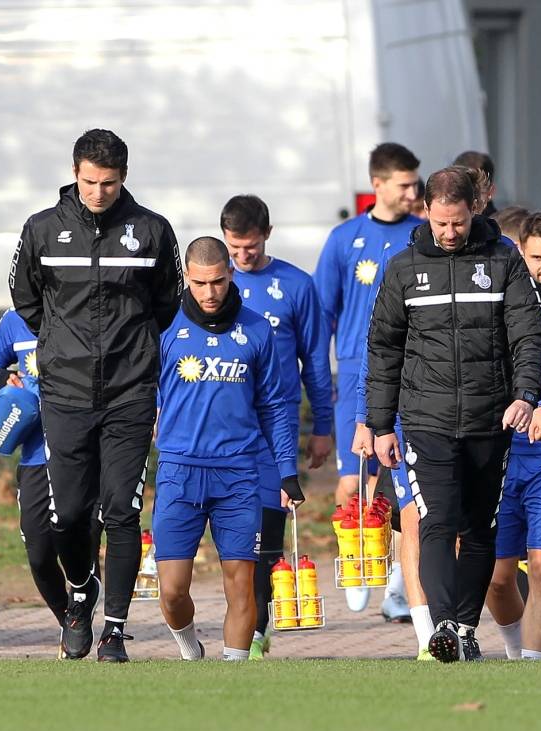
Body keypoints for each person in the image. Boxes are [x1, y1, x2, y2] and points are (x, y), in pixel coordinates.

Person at [9, 129, 183, 662]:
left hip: (131, 394)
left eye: (108, 183)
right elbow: (26, 299)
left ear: (123, 177)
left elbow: (166, 305)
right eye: (89, 181)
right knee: (69, 515)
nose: (98, 192)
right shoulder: (43, 229)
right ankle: (82, 593)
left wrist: (133, 354)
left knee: (122, 512)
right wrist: (64, 349)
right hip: (65, 392)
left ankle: (114, 629)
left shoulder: (153, 230)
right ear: (74, 172)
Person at [365, 167, 541, 662]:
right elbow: (383, 349)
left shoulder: (503, 260)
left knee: (478, 531)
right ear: (426, 212)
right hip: (426, 421)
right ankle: (444, 625)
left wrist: (525, 395)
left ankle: (463, 631)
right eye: (441, 223)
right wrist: (380, 424)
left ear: (476, 210)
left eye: (459, 223)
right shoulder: (403, 268)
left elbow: (530, 336)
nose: (449, 233)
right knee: (437, 524)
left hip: (492, 421)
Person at [153, 237, 302, 662]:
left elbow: (274, 405)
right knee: (172, 591)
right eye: (199, 283)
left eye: (218, 282)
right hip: (179, 471)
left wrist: (286, 470)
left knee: (241, 584)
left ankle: (234, 674)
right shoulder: (165, 327)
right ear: (186, 277)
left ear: (230, 274)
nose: (209, 292)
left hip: (239, 473)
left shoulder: (257, 329)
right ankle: (190, 652)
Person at [219, 195, 334, 658]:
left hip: (276, 425)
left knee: (267, 531)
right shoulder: (212, 283)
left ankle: (258, 627)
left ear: (267, 234)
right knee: (232, 532)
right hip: (225, 424)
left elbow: (316, 364)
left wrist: (323, 426)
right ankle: (242, 621)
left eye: (249, 247)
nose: (241, 257)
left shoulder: (296, 285)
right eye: (233, 248)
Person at [313, 143, 422, 614]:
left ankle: (399, 583)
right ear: (377, 184)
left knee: (402, 479)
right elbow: (323, 314)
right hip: (359, 372)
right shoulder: (345, 238)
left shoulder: (422, 235)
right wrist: (326, 379)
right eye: (404, 184)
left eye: (416, 183)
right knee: (354, 479)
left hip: (414, 376)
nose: (413, 192)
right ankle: (358, 562)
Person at [482, 213, 541, 660]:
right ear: (521, 253)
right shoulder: (501, 302)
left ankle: (534, 667)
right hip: (504, 452)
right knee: (497, 578)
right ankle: (516, 652)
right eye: (537, 256)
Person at [0, 310, 100, 631]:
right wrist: (5, 379)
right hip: (35, 454)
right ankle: (68, 621)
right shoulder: (14, 320)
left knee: (81, 538)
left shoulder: (85, 308)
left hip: (81, 451)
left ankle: (85, 621)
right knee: (38, 551)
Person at [453, 150, 499, 215]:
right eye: (459, 188)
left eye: (474, 190)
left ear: (490, 191)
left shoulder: (500, 224)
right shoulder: (444, 220)